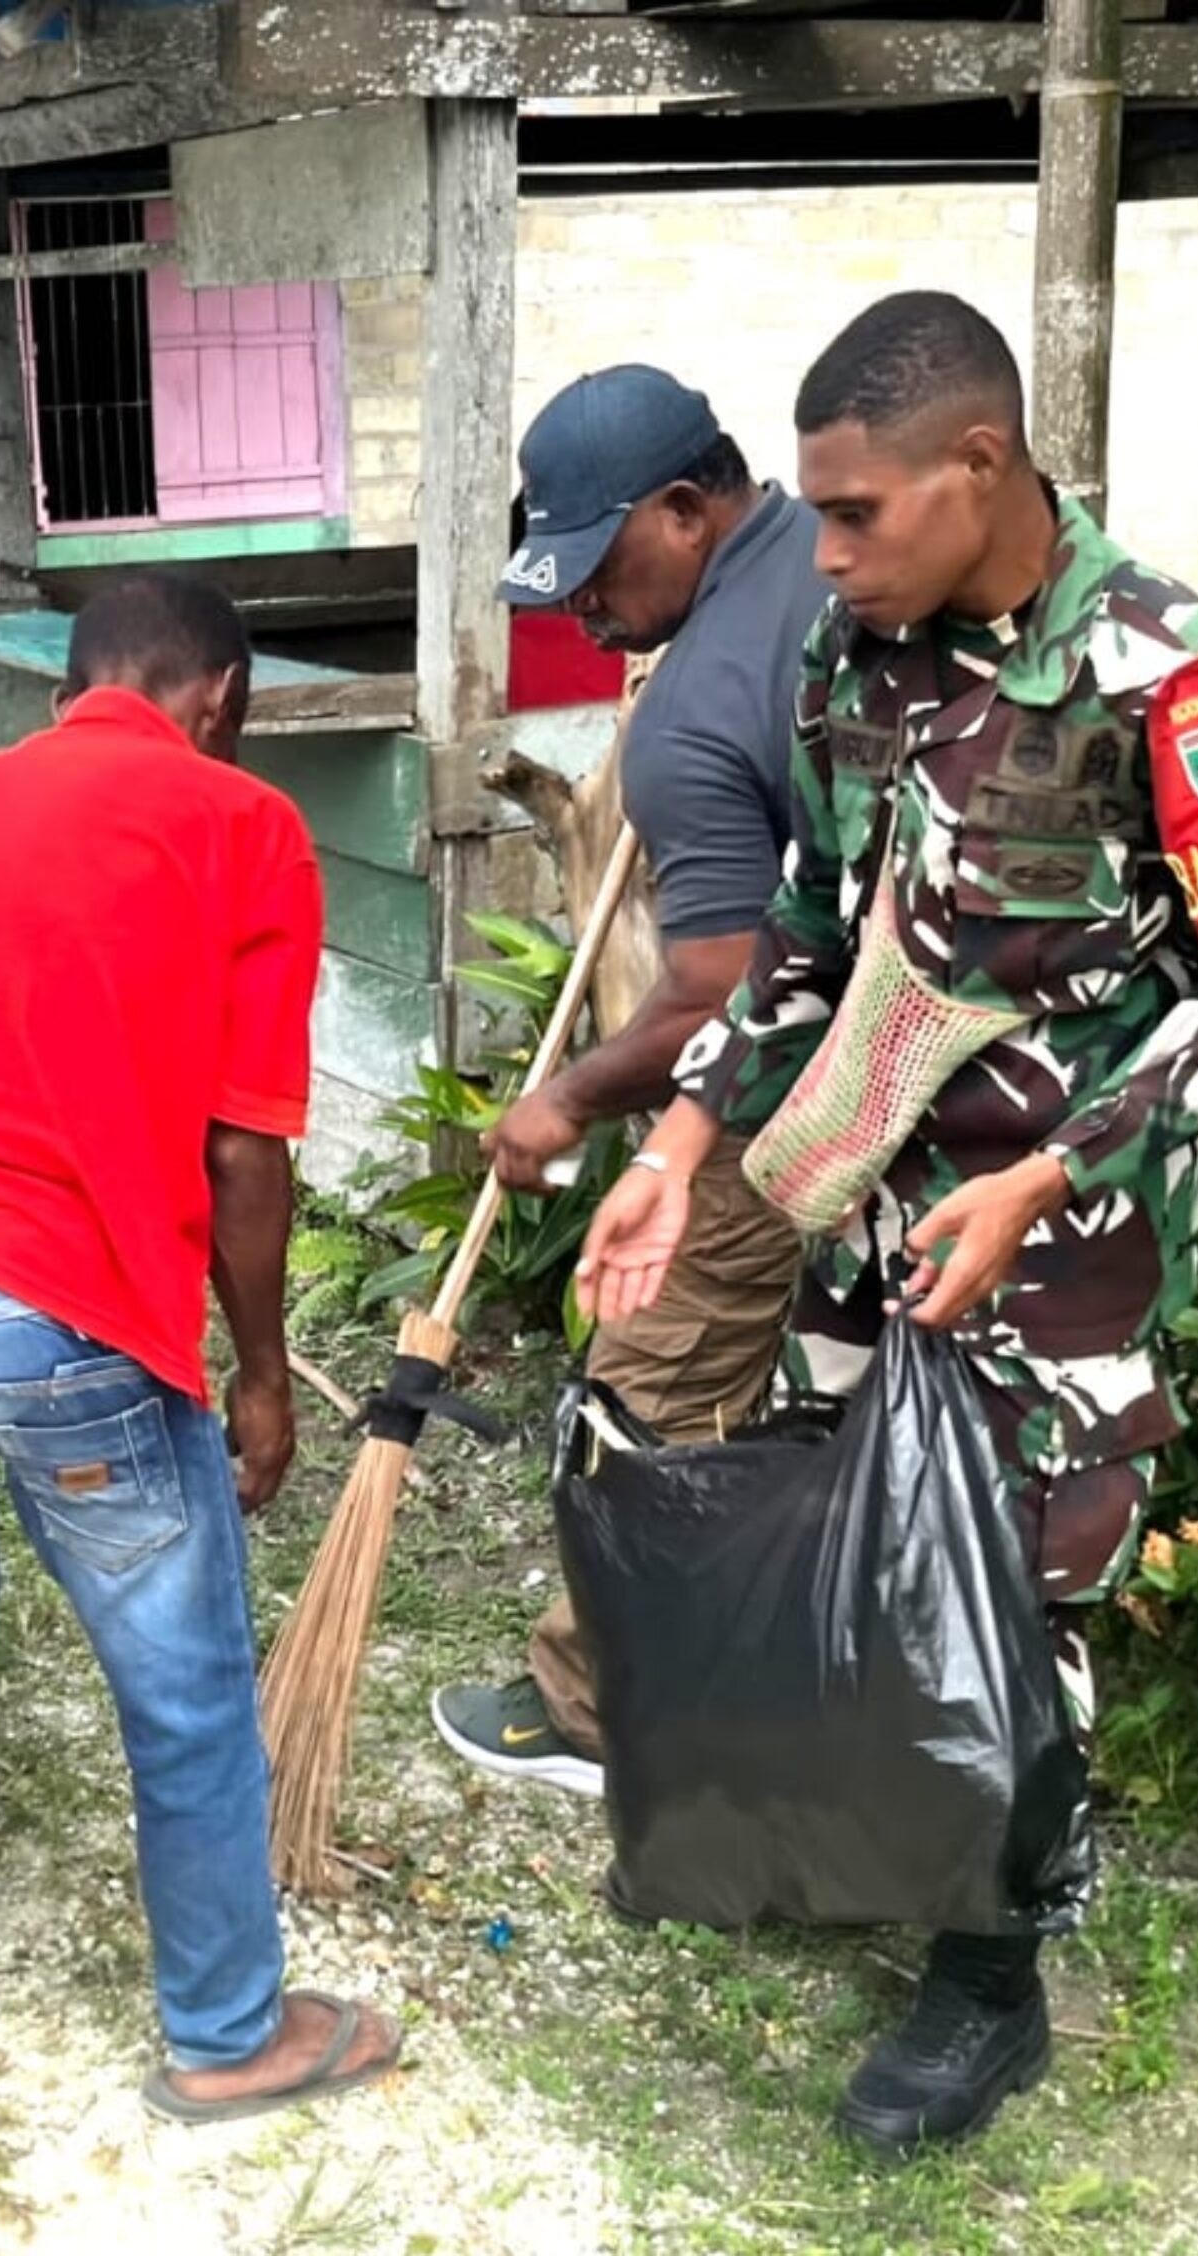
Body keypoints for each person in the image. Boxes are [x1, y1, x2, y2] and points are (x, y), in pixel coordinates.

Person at [576, 292, 1198, 2156]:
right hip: (869, 1203)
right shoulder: (865, 659)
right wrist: (681, 1141)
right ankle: (882, 1849)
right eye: (819, 519)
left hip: (1062, 1242)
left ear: (977, 468)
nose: (823, 553)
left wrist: (1054, 1172)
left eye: (855, 513)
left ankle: (988, 1985)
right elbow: (820, 945)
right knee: (864, 1531)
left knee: (1015, 1591)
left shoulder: (1172, 672)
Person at [0, 571, 402, 2123]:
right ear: (227, 700)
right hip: (49, 1305)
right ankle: (223, 2034)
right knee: (183, 1680)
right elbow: (247, 1151)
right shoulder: (240, 825)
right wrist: (262, 1375)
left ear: (71, 686)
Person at [427, 365, 828, 1797]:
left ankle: (597, 1705)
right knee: (807, 1386)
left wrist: (573, 1100)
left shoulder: (700, 696)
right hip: (901, 1075)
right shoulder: (819, 570)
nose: (580, 608)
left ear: (685, 505)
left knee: (650, 1382)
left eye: (597, 570)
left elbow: (718, 990)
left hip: (780, 1094)